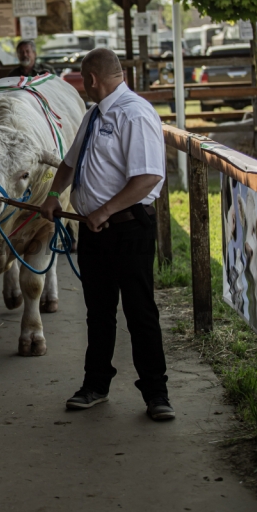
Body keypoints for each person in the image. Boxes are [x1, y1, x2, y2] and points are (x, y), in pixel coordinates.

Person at [40, 48, 174, 421]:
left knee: (139, 312)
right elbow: (69, 163)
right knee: (98, 313)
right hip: (94, 231)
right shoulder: (93, 116)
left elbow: (148, 177)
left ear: (91, 79)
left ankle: (156, 394)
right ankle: (95, 385)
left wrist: (105, 210)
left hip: (128, 228)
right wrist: (53, 195)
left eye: (83, 80)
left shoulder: (134, 113)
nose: (82, 87)